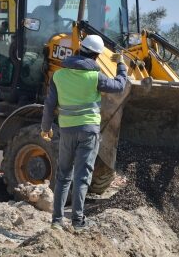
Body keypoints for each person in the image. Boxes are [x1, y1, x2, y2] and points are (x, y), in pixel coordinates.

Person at [40, 34, 127, 231]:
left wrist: (45, 128)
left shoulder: (58, 76)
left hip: (67, 130)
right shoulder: (95, 77)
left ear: (80, 49)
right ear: (96, 56)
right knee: (82, 177)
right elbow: (120, 86)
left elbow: (49, 105)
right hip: (88, 132)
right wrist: (121, 65)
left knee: (63, 176)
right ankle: (77, 221)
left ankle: (56, 221)